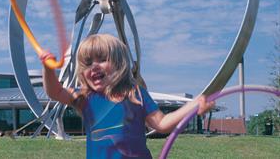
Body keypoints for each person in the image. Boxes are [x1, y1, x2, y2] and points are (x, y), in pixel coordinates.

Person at [41, 33, 214, 159]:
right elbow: (55, 92)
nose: (93, 67)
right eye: (87, 63)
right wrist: (48, 69)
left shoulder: (135, 94)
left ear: (119, 63)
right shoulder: (84, 97)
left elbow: (161, 124)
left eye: (101, 59)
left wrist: (193, 105)